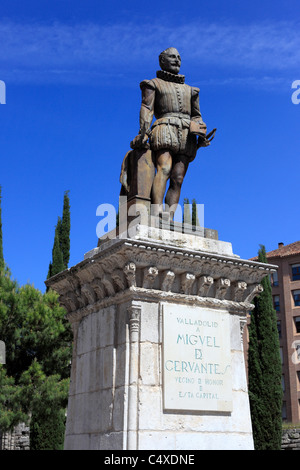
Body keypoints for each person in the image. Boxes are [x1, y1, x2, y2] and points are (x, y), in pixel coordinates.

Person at [131, 47, 215, 218]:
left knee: (178, 178)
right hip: (164, 128)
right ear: (162, 61)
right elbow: (147, 108)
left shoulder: (192, 90)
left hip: (187, 134)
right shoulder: (153, 84)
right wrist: (144, 132)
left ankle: (169, 215)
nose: (177, 60)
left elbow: (197, 115)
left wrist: (201, 131)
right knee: (164, 168)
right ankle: (157, 210)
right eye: (172, 57)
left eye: (179, 57)